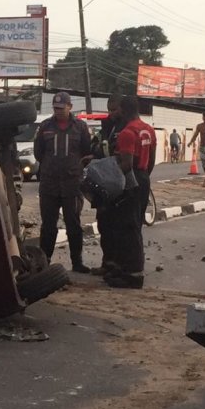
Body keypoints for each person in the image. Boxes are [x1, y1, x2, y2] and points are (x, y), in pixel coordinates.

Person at [101, 95, 156, 289]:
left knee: (128, 228)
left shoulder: (127, 132)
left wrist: (112, 175)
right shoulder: (148, 129)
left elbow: (126, 164)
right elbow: (151, 161)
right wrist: (143, 180)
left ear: (123, 110)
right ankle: (126, 269)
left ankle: (133, 274)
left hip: (130, 180)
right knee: (134, 225)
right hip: (143, 179)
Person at [33, 91, 92, 272]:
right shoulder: (45, 126)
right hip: (49, 184)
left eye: (61, 108)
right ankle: (45, 263)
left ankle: (77, 262)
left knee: (73, 224)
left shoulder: (80, 127)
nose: (58, 111)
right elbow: (38, 152)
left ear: (70, 107)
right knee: (48, 226)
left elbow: (86, 151)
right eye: (55, 108)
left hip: (72, 184)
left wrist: (75, 168)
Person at [87, 94, 126, 278]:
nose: (111, 113)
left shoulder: (127, 127)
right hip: (104, 180)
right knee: (104, 224)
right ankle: (107, 262)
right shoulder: (107, 125)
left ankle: (119, 265)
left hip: (120, 182)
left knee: (118, 227)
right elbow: (98, 147)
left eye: (114, 109)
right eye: (109, 109)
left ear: (122, 108)